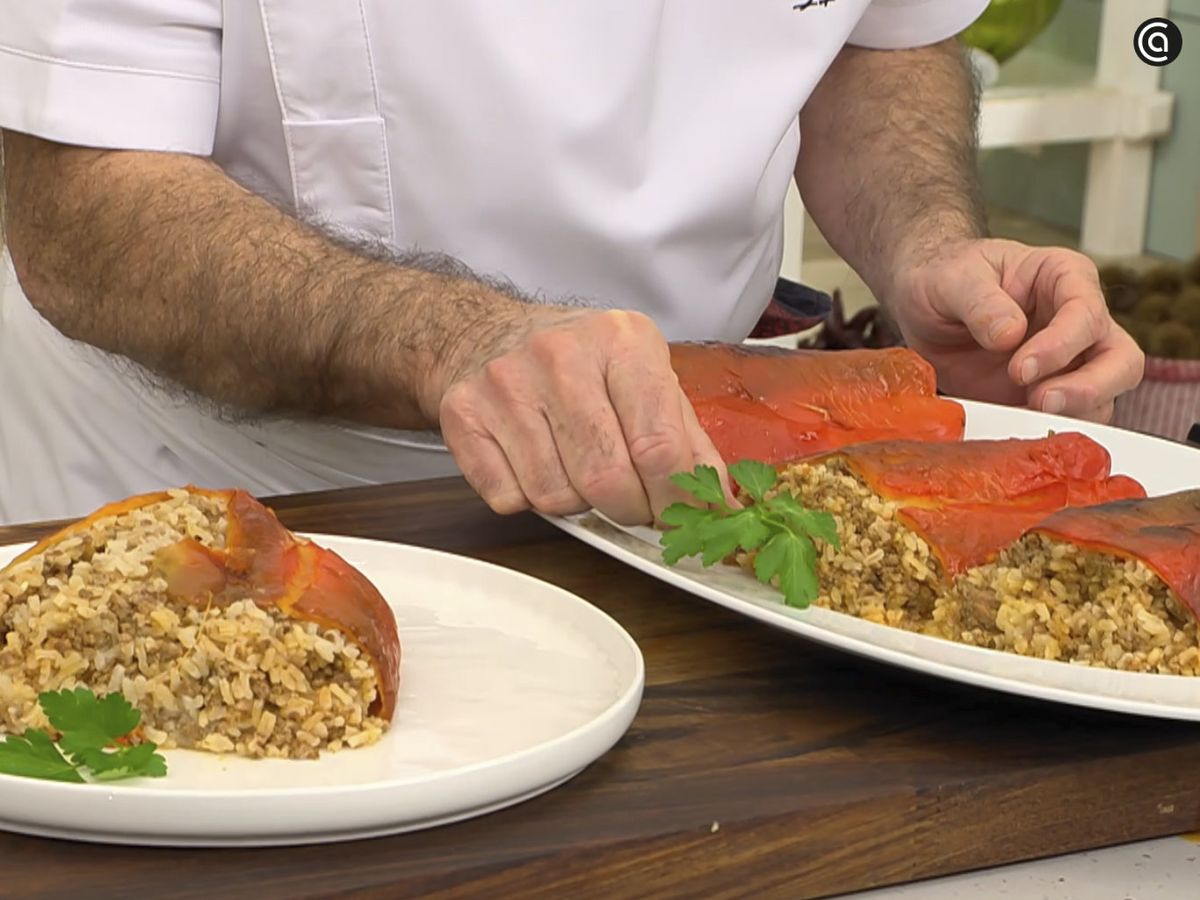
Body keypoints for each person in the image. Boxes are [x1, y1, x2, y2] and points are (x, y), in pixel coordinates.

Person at [0, 1, 1144, 526]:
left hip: (710, 486)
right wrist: (450, 341)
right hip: (237, 478)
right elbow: (82, 211)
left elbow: (878, 40)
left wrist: (927, 245)